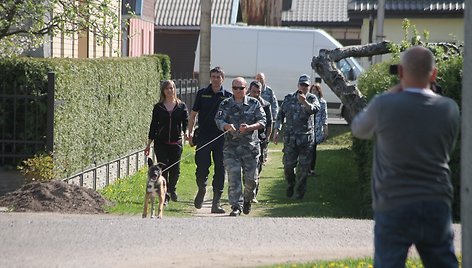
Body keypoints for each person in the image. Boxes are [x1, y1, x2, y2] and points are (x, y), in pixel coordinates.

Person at [351, 46, 460, 267]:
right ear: (434, 74)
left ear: (400, 72)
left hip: (393, 202)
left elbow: (358, 129)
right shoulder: (449, 108)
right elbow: (447, 148)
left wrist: (390, 92)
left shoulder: (384, 105)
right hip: (435, 200)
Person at [215, 77, 266, 216]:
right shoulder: (225, 104)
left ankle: (248, 200)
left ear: (246, 89)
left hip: (250, 148)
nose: (238, 91)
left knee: (251, 180)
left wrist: (250, 127)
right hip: (231, 149)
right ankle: (236, 206)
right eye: (235, 88)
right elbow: (218, 119)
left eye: (241, 88)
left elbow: (263, 121)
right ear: (232, 89)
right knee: (233, 177)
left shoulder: (254, 103)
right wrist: (226, 126)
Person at [186, 67, 232, 214]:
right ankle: (202, 188)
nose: (216, 79)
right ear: (210, 78)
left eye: (218, 77)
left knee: (220, 169)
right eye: (213, 76)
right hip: (204, 136)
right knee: (201, 167)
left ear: (223, 79)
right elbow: (193, 115)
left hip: (221, 138)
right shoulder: (202, 93)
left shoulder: (228, 97)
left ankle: (216, 203)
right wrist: (190, 132)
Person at [273, 74, 320, 199]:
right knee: (288, 166)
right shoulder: (288, 98)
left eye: (306, 85)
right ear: (298, 85)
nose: (304, 87)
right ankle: (290, 183)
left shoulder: (312, 98)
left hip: (306, 140)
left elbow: (315, 110)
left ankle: (300, 194)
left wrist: (304, 102)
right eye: (302, 84)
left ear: (309, 86)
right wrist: (277, 130)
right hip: (290, 139)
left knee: (303, 169)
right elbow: (280, 115)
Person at [145, 80, 188, 204]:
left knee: (175, 169)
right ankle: (165, 194)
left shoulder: (181, 106)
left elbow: (185, 122)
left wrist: (186, 132)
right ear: (163, 91)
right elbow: (153, 126)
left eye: (172, 88)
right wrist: (148, 144)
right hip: (161, 142)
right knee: (164, 168)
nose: (170, 90)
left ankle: (172, 189)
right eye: (168, 88)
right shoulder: (158, 107)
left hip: (176, 143)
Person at [248, 80, 272, 202]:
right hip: (246, 140)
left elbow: (269, 124)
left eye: (258, 92)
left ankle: (253, 194)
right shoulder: (243, 103)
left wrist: (267, 139)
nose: (256, 94)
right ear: (249, 90)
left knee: (257, 167)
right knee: (246, 168)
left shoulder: (266, 105)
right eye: (254, 92)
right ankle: (247, 192)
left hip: (260, 140)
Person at [309, 83, 328, 175]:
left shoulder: (322, 102)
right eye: (312, 90)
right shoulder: (308, 100)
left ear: (319, 91)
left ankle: (311, 169)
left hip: (317, 129)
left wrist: (325, 129)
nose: (314, 92)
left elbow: (324, 116)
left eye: (315, 90)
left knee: (313, 149)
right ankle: (305, 168)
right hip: (308, 128)